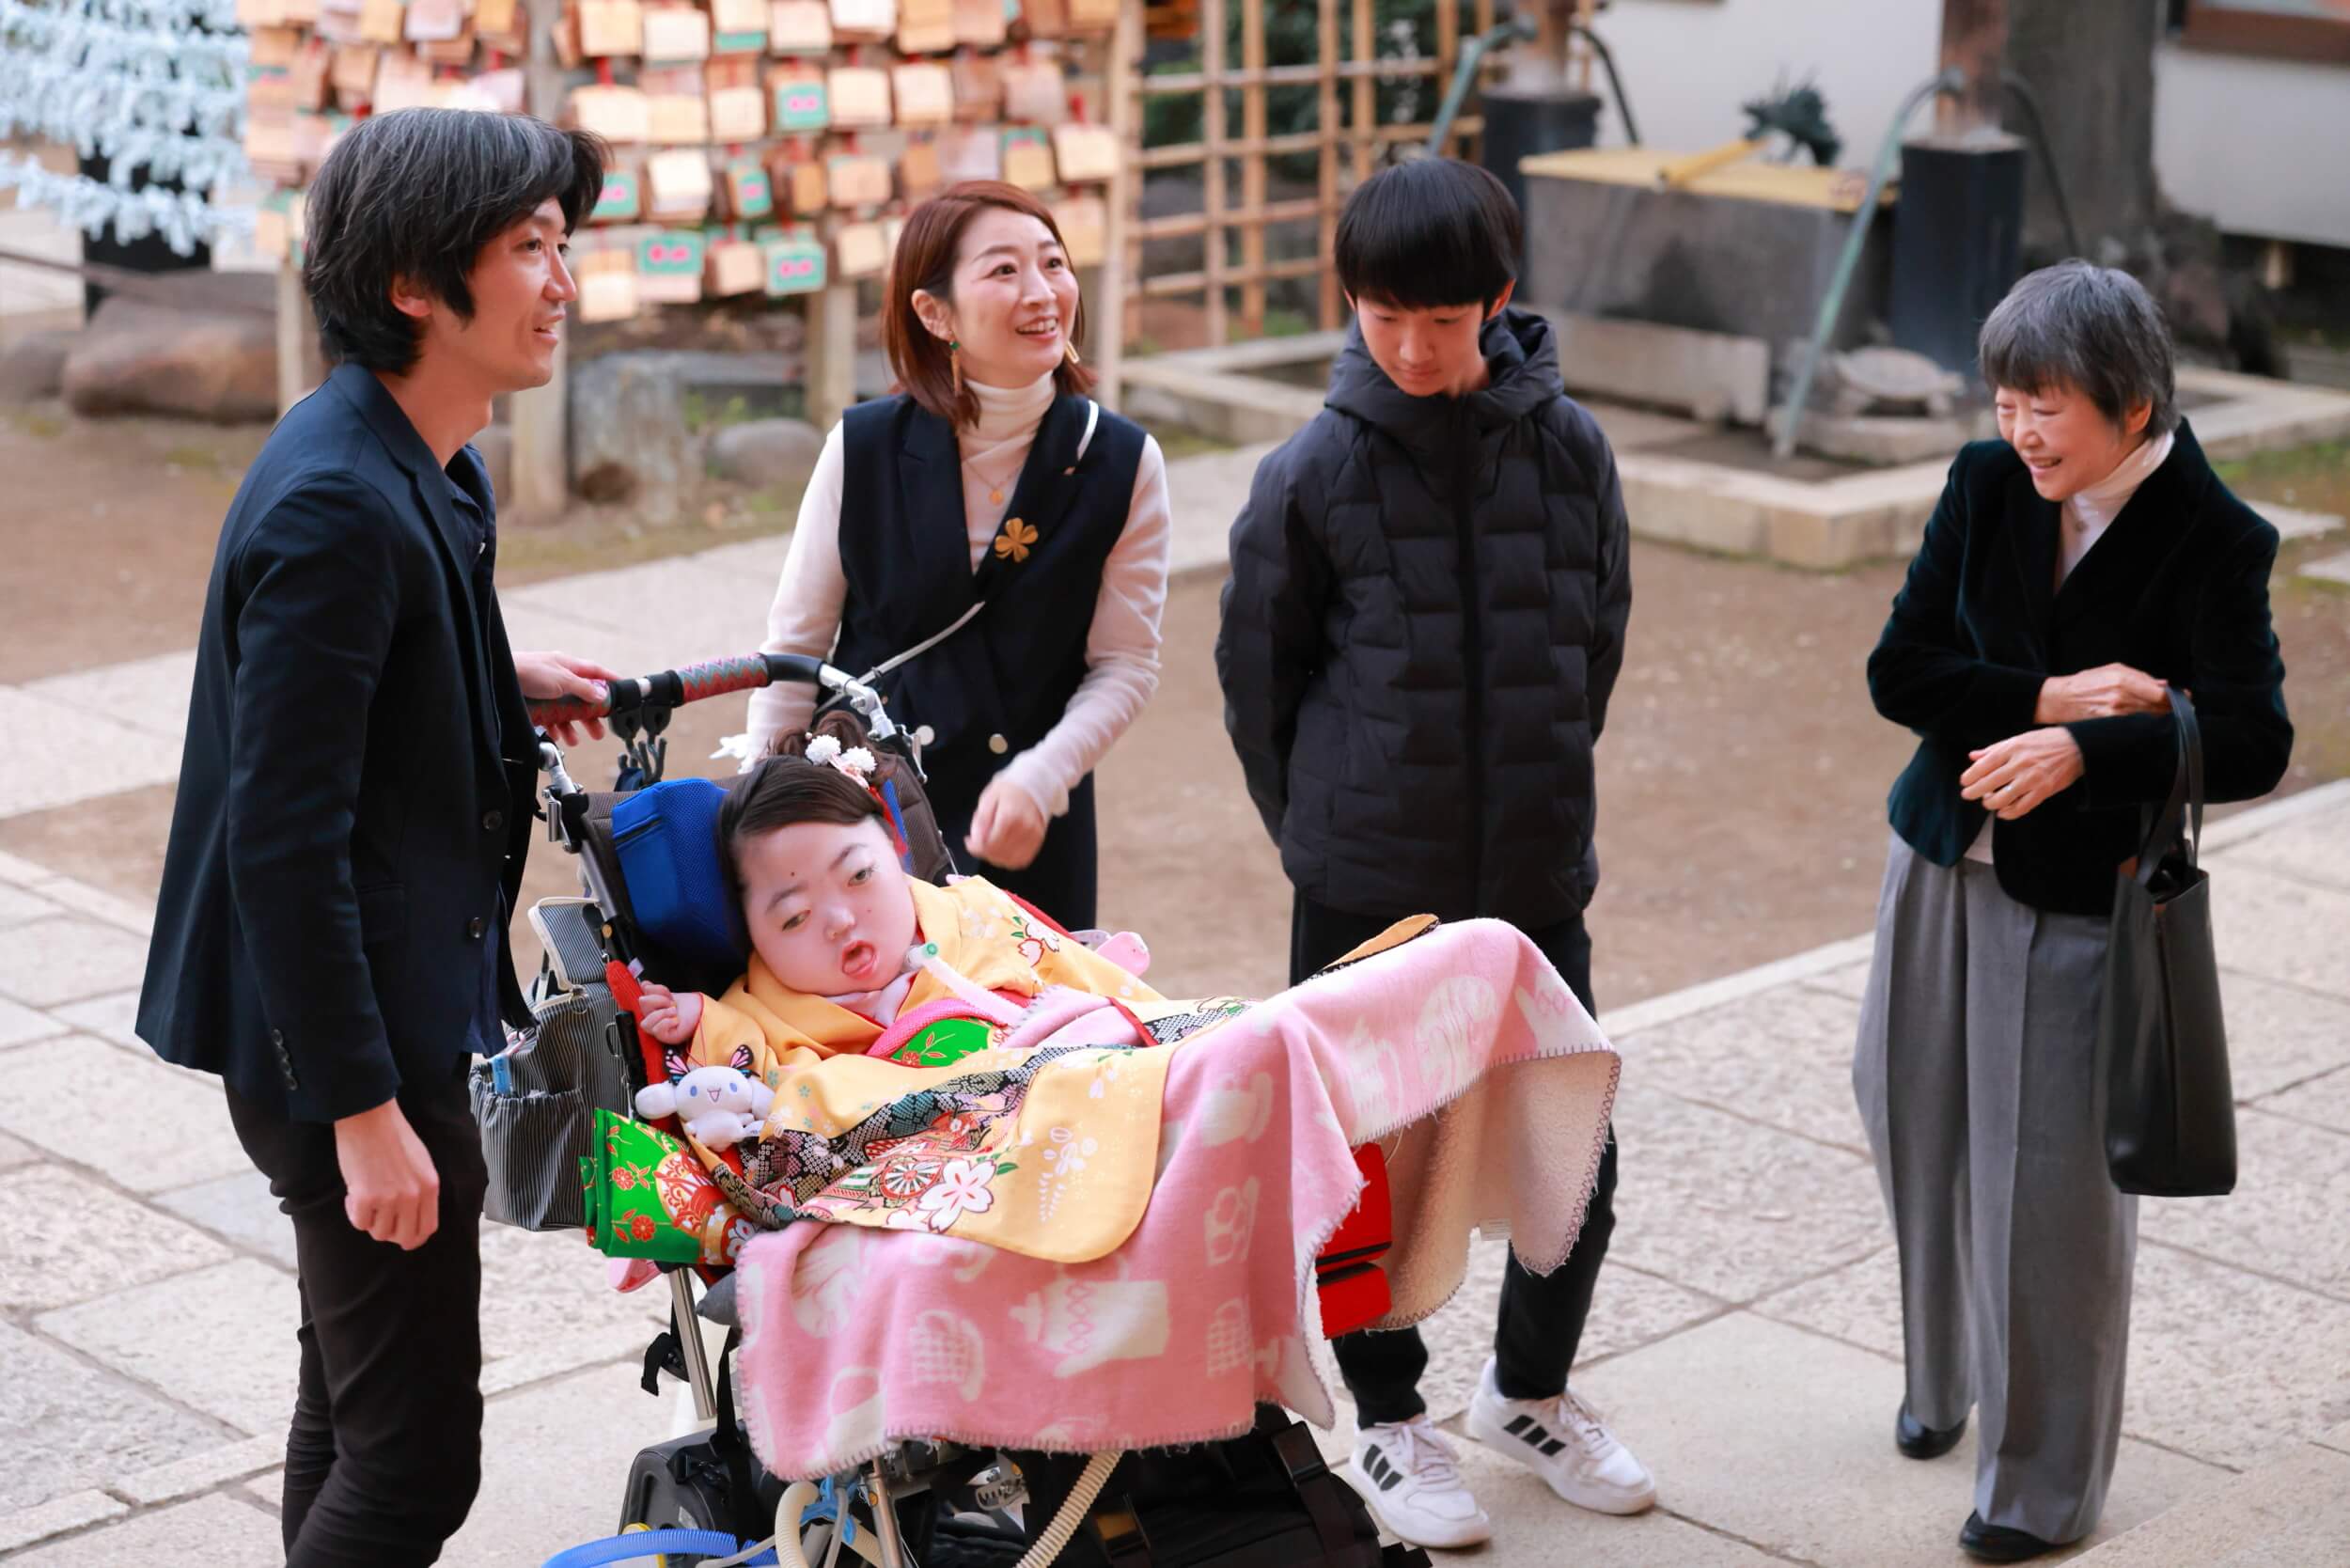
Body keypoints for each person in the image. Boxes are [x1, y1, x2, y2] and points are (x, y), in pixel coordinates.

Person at [134, 109, 619, 1566]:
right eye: (529, 247)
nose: (563, 281)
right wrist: (363, 1117)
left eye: (563, 244)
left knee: (353, 1419)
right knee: (412, 1470)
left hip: (377, 1007)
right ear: (416, 283)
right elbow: (283, 845)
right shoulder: (341, 501)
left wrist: (488, 671)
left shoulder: (423, 461)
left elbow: (363, 672)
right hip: (339, 1046)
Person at [1214, 157, 1651, 1551]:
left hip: (1531, 879)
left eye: (1443, 319)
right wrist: (1329, 833)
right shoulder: (1313, 470)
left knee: (1571, 1155)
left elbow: (1593, 642)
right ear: (1350, 301)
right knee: (1365, 1174)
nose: (1411, 346)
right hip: (1366, 886)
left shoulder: (1571, 449)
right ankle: (1389, 1417)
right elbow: (1258, 684)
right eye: (1383, 315)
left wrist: (1537, 794)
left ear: (1499, 301)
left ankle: (1529, 1392)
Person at [1856, 261, 2293, 1563]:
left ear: (2132, 402)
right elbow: (1900, 670)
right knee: (1908, 1118)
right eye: (2004, 401)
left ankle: (2036, 1488)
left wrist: (2090, 754)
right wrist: (2049, 701)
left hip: (2078, 899)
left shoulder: (2216, 536)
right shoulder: (1985, 483)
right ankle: (1943, 1378)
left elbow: (2255, 740)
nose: (2020, 431)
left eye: (2044, 405)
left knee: (2046, 1196)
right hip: (1939, 856)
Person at [730, 181, 1172, 932]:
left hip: (1028, 821)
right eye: (1004, 270)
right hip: (865, 821)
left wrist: (1044, 775)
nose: (1043, 292)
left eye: (1054, 264)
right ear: (935, 313)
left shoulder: (1121, 460)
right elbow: (794, 652)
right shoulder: (865, 447)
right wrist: (754, 823)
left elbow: (1125, 664)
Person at [634, 739, 1167, 1069]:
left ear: (895, 846)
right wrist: (704, 1019)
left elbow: (1100, 988)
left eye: (859, 875)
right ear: (750, 931)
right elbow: (761, 1089)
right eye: (795, 917)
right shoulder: (765, 1013)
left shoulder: (977, 911)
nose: (840, 921)